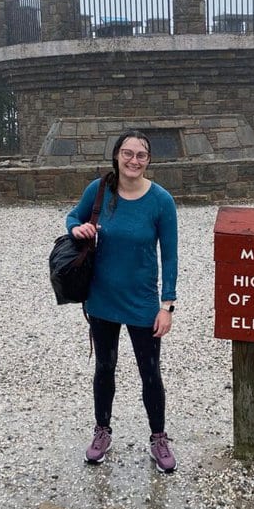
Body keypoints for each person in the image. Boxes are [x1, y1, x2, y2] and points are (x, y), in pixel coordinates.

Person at [66, 129, 179, 473]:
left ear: (148, 160)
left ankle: (158, 437)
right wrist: (77, 229)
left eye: (141, 155)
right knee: (104, 368)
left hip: (143, 301)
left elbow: (171, 256)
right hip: (102, 298)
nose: (133, 160)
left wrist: (167, 305)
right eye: (127, 153)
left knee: (150, 373)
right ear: (116, 155)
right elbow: (74, 217)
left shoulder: (161, 200)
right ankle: (102, 430)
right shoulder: (98, 190)